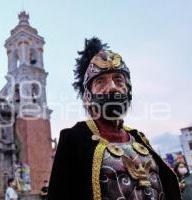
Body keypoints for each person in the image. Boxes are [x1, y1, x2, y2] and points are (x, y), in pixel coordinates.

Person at [48, 37, 181, 200]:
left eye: (118, 80)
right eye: (100, 81)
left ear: (128, 89)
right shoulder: (73, 139)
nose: (111, 87)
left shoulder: (140, 138)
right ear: (88, 96)